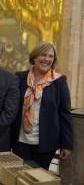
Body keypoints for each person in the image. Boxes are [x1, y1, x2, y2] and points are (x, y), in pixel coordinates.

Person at [11, 41, 73, 170]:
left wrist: (67, 144)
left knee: (39, 180)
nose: (47, 59)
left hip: (45, 144)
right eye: (43, 55)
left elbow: (65, 114)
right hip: (20, 141)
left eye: (51, 56)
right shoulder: (19, 77)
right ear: (34, 57)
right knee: (19, 177)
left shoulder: (59, 81)